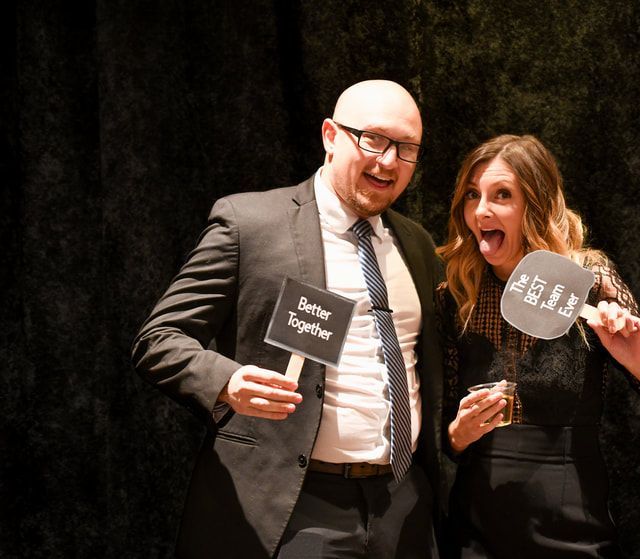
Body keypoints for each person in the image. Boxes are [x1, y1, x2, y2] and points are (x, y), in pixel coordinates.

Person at [131, 80, 445, 558]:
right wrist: (228, 381)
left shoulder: (417, 244)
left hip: (401, 504)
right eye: (373, 139)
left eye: (406, 149)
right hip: (298, 503)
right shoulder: (250, 223)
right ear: (330, 135)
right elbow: (159, 339)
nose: (388, 161)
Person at [436, 134, 640, 558]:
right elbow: (444, 441)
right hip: (476, 526)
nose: (480, 210)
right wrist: (458, 435)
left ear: (535, 205)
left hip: (572, 522)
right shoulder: (456, 293)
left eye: (502, 195)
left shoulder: (588, 278)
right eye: (471, 195)